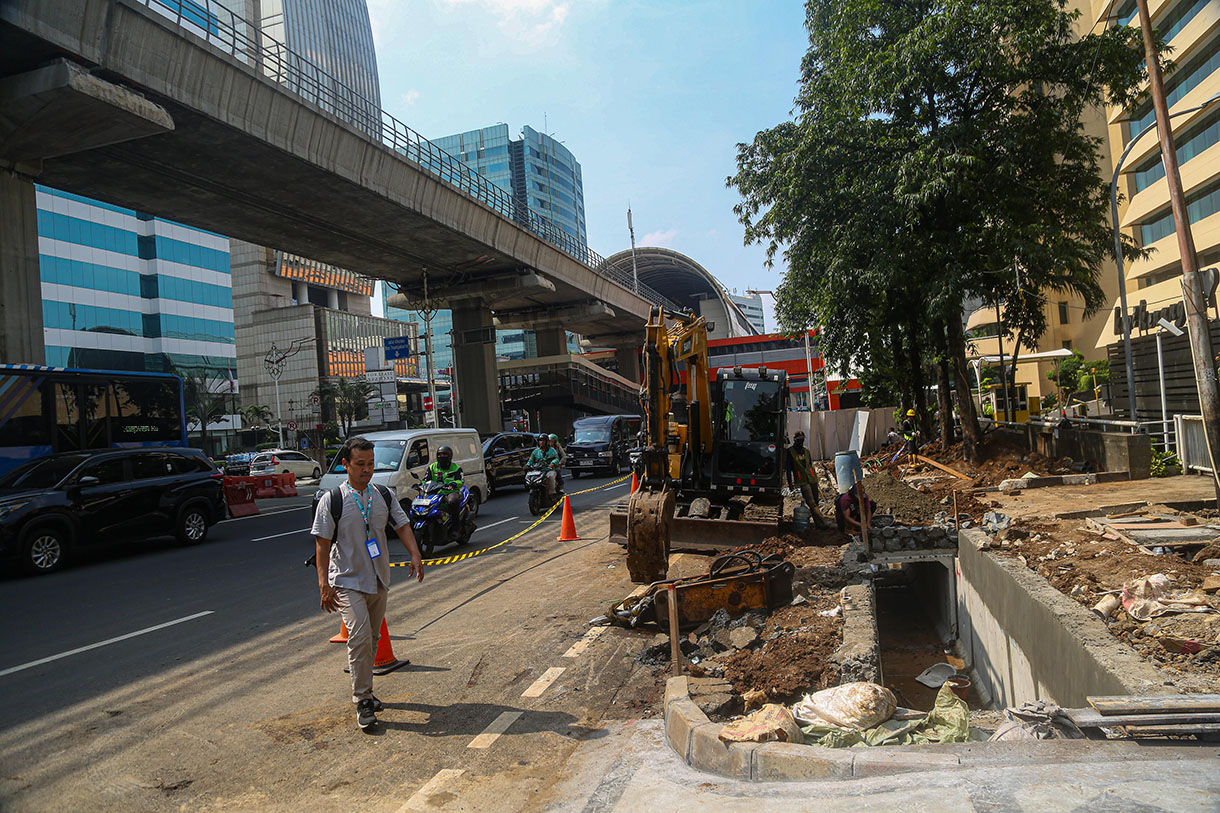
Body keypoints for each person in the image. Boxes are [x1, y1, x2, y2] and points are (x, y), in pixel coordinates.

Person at [312, 436, 424, 731]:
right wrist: (324, 584)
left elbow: (401, 525)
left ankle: (368, 690)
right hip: (347, 580)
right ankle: (362, 699)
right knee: (359, 636)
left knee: (372, 639)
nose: (367, 469)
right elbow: (322, 544)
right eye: (360, 464)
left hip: (378, 578)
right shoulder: (332, 499)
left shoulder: (383, 495)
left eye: (371, 464)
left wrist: (415, 555)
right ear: (346, 465)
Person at [785, 431, 831, 530]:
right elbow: (788, 469)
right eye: (799, 440)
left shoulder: (806, 450)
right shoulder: (790, 451)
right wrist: (790, 482)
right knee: (811, 503)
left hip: (812, 478)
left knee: (816, 502)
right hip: (802, 479)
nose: (801, 442)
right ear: (795, 440)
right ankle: (823, 521)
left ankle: (818, 524)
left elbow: (810, 463)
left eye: (802, 440)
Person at [424, 444, 465, 525]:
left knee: (453, 501)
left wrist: (454, 483)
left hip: (450, 492)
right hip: (436, 492)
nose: (442, 456)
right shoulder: (432, 467)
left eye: (445, 455)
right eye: (440, 454)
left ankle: (455, 527)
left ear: (450, 456)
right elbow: (426, 479)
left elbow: (461, 481)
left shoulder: (456, 468)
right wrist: (420, 484)